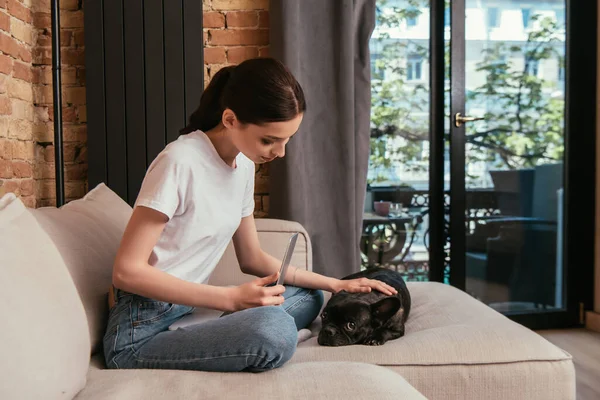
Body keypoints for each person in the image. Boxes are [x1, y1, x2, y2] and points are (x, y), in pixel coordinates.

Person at [103, 57, 398, 373]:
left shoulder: (243, 164)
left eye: (286, 139)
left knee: (311, 296)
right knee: (275, 332)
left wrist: (335, 284)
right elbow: (127, 271)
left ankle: (235, 332)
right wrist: (230, 299)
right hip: (141, 330)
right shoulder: (179, 161)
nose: (280, 152)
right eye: (269, 140)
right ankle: (249, 332)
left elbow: (252, 258)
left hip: (189, 310)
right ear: (230, 119)